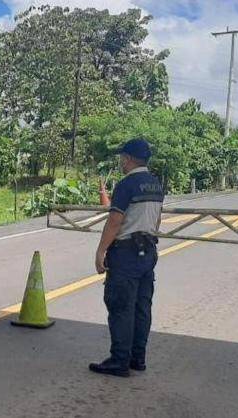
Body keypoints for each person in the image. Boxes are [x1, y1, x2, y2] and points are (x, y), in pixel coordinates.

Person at [90, 138, 164, 378]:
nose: (121, 161)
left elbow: (115, 221)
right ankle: (137, 358)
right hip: (148, 251)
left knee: (121, 305)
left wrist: (101, 251)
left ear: (130, 158)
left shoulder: (126, 184)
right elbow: (158, 220)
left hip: (126, 253)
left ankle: (119, 360)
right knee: (142, 307)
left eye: (122, 157)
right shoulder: (155, 184)